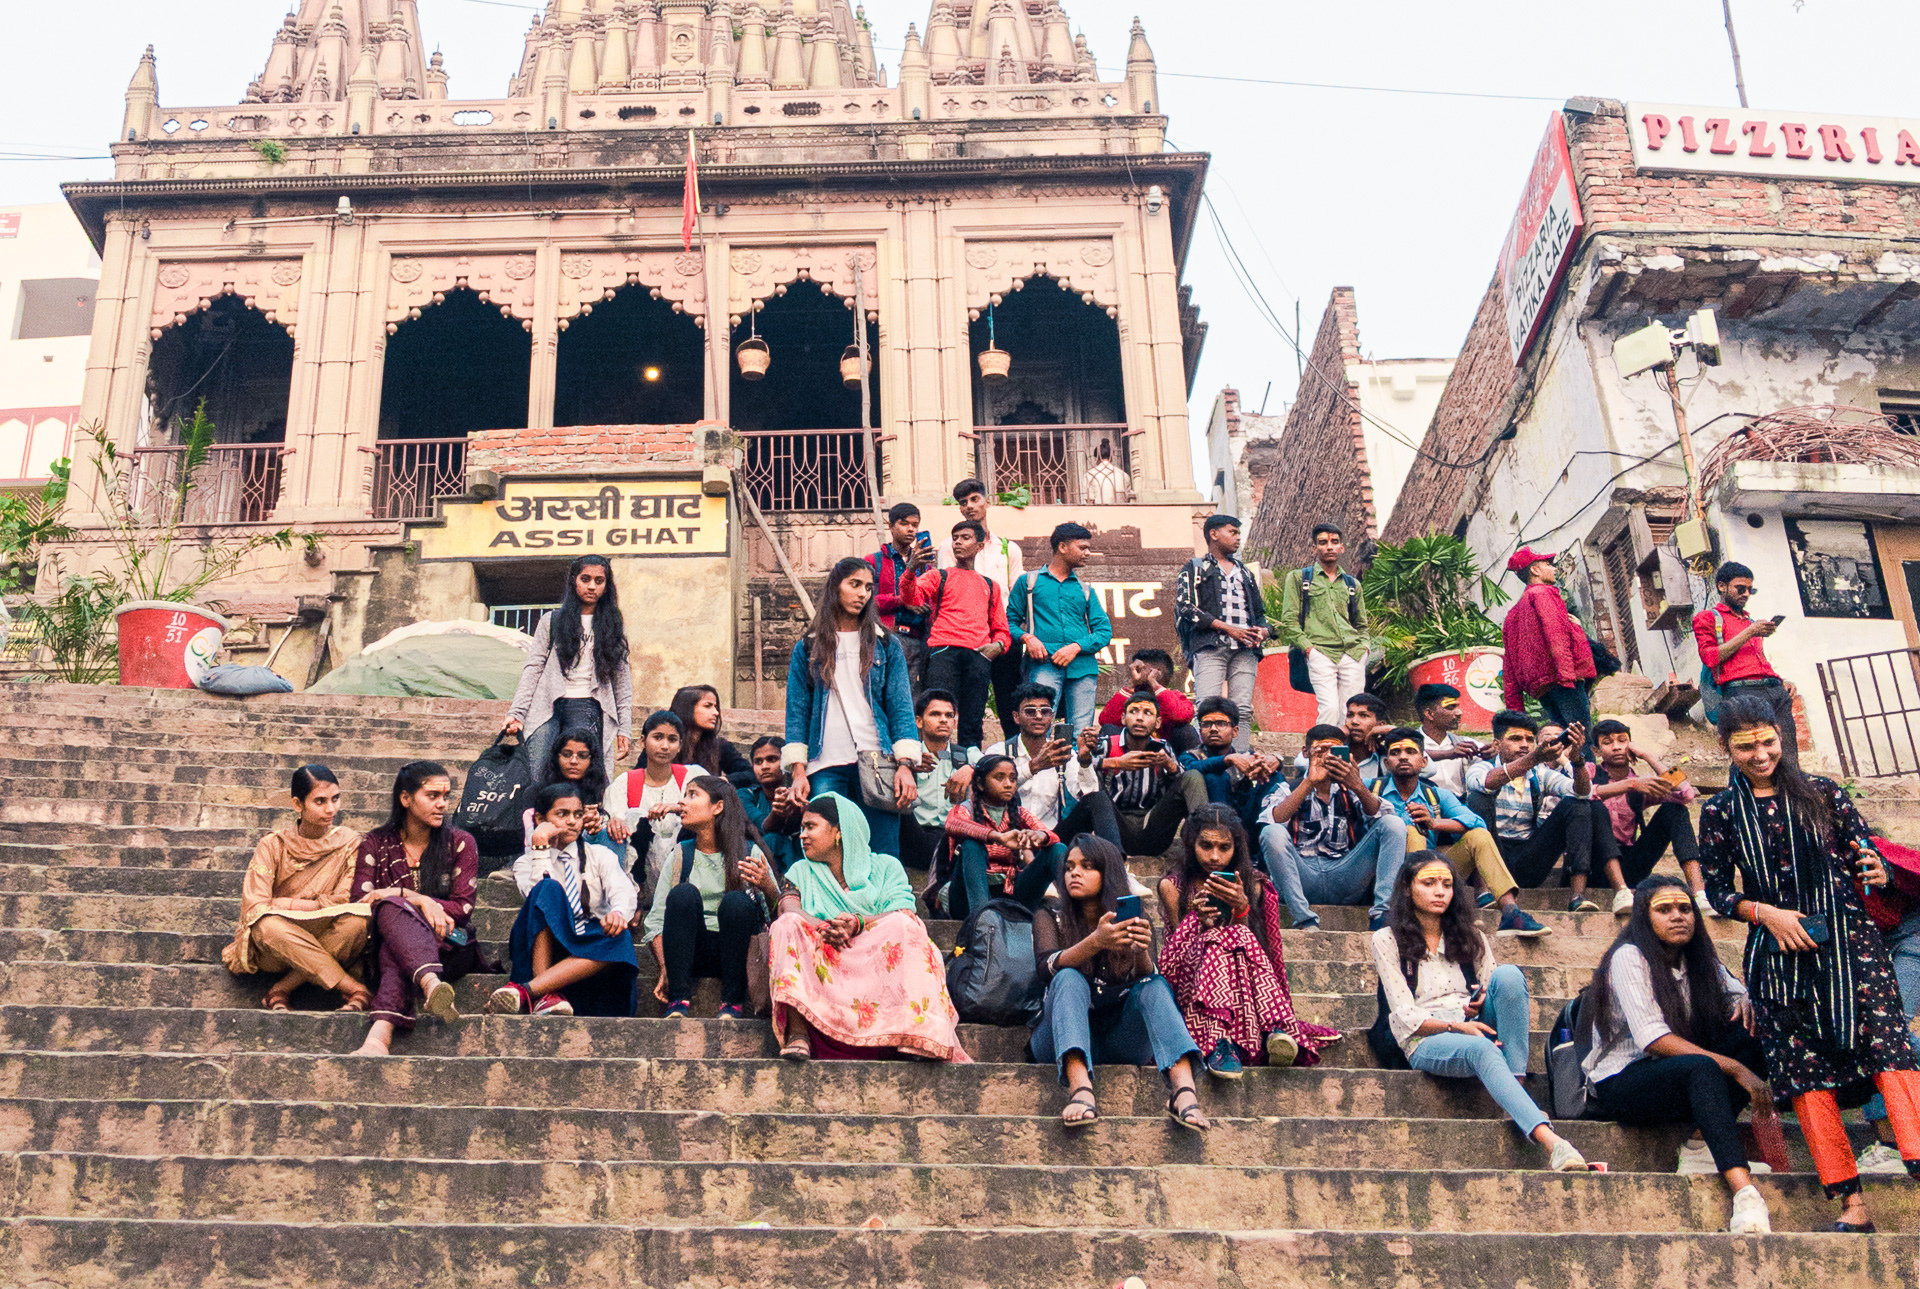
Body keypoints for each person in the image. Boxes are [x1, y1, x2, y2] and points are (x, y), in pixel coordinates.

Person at [1700, 695, 1920, 1231]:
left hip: (1853, 950)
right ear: (1725, 747)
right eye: (1745, 745)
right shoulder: (1719, 812)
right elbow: (1716, 893)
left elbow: (1866, 850)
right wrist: (1766, 913)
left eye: (1768, 741)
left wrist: (1879, 871)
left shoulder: (1823, 793)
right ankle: (1852, 1205)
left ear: (1782, 736)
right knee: (1805, 1078)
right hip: (1778, 963)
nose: (1759, 754)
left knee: (1892, 1057)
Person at [1373, 851, 1590, 1171]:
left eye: (1446, 884)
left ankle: (1514, 1088)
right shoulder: (1386, 939)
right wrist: (1458, 1028)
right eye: (1429, 883)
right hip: (1426, 1038)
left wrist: (1480, 998)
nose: (1439, 891)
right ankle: (1553, 1143)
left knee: (1510, 975)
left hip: (1472, 1021)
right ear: (1407, 888)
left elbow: (1495, 987)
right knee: (1480, 1047)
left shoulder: (1470, 934)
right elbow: (1404, 1016)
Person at [1581, 876, 1774, 1234]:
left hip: (1680, 1076)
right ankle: (1745, 1192)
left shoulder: (1698, 959)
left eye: (1685, 908)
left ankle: (1702, 1144)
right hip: (1623, 1083)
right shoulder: (1628, 957)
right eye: (1664, 909)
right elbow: (1653, 1039)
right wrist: (1735, 1068)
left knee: (1755, 1030)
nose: (1678, 916)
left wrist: (1748, 1002)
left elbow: (1736, 994)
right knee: (1702, 1066)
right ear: (1644, 916)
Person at [768, 794, 969, 1062]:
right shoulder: (800, 870)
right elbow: (789, 908)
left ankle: (914, 1034)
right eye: (802, 828)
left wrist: (857, 923)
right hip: (824, 956)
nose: (802, 835)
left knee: (906, 925)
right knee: (787, 924)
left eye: (811, 826)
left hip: (873, 955)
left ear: (839, 832)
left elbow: (903, 912)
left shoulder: (885, 867)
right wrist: (826, 929)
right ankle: (798, 1033)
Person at [1031, 835, 1209, 1131]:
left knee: (1154, 985)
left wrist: (1139, 952)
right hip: (1057, 1036)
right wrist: (1095, 942)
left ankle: (1183, 1091)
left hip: (1119, 1039)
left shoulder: (1135, 919)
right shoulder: (1049, 915)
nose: (1075, 873)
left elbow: (1146, 977)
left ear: (1108, 873)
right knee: (1067, 976)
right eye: (1070, 867)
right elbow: (1045, 968)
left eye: (1087, 866)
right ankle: (1080, 1089)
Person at [1158, 805, 1343, 1076]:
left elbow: (1264, 952)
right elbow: (1174, 957)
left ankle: (1258, 1036)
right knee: (1215, 937)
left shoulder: (1254, 884)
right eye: (1205, 845)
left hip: (1245, 986)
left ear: (1237, 848)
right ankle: (1231, 1038)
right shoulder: (1173, 887)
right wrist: (1197, 920)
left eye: (1224, 847)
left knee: (1238, 933)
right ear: (1190, 843)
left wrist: (1241, 910)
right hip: (1192, 989)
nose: (1214, 856)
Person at [783, 556, 921, 860]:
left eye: (868, 587)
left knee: (883, 851)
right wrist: (797, 770)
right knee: (823, 851)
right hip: (824, 764)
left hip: (877, 761)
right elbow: (797, 712)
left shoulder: (885, 644)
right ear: (836, 587)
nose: (862, 594)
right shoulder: (808, 646)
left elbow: (900, 707)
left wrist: (905, 765)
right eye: (854, 584)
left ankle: (889, 908)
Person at [351, 761, 482, 1055]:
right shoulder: (375, 842)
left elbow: (462, 909)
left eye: (445, 796)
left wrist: (407, 896)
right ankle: (429, 982)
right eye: (432, 796)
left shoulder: (461, 842)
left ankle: (378, 1038)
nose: (442, 804)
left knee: (392, 916)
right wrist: (416, 900)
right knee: (390, 916)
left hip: (452, 944)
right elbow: (361, 905)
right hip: (389, 945)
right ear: (406, 798)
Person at [1372, 727, 1548, 938]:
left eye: (1410, 752)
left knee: (1479, 835)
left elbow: (1476, 821)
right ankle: (1410, 913)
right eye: (1395, 753)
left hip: (1433, 873)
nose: (1403, 757)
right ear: (1386, 763)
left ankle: (1511, 911)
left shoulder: (1435, 794)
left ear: (1424, 761)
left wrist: (1434, 823)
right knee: (1411, 830)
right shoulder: (1372, 789)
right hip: (1385, 875)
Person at [224, 764, 370, 1012]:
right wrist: (286, 911)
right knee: (265, 925)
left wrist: (290, 905)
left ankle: (283, 988)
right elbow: (256, 906)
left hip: (328, 932)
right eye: (320, 801)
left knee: (358, 923)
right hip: (279, 946)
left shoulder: (350, 843)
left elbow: (348, 899)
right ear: (297, 804)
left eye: (335, 799)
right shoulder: (272, 845)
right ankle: (351, 986)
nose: (331, 809)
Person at [492, 781, 640, 1017]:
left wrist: (618, 913)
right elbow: (536, 901)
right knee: (547, 888)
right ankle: (545, 995)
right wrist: (539, 849)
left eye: (577, 814)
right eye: (562, 814)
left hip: (586, 954)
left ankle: (527, 992)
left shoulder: (600, 855)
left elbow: (623, 890)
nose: (572, 821)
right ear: (541, 820)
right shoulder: (525, 863)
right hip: (547, 946)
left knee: (619, 937)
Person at [642, 776, 781, 1018]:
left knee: (736, 902)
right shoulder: (680, 855)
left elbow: (777, 919)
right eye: (684, 795)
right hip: (688, 952)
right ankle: (678, 1000)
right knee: (683, 894)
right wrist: (666, 967)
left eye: (692, 794)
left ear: (718, 807)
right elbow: (655, 921)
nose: (682, 802)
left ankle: (732, 1002)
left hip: (739, 954)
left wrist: (768, 887)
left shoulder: (749, 853)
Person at [1259, 724, 1410, 933]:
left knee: (1394, 824)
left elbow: (1383, 817)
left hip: (1345, 874)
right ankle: (1304, 919)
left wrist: (1356, 784)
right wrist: (1310, 783)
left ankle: (1382, 916)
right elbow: (1273, 820)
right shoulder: (1287, 788)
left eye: (1335, 752)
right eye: (1321, 751)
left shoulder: (1350, 789)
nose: (1328, 758)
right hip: (1301, 876)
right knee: (1271, 832)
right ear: (1306, 753)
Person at [503, 553, 635, 773]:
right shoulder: (552, 621)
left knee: (581, 774)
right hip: (548, 704)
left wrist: (625, 729)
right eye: (585, 579)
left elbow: (622, 680)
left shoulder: (612, 623)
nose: (592, 586)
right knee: (536, 770)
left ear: (606, 585)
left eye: (599, 581)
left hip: (590, 705)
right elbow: (533, 668)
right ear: (574, 580)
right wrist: (517, 712)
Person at [1465, 711, 1607, 913]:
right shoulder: (1480, 768)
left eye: (1529, 740)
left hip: (1528, 860)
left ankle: (1578, 896)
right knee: (1478, 799)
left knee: (1577, 804)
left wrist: (1577, 760)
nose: (1524, 744)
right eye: (1515, 738)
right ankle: (1483, 891)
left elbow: (1583, 792)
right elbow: (1487, 784)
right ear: (1496, 745)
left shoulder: (1539, 774)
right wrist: (1534, 757)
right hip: (1491, 856)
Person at [902, 519, 1012, 752]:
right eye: (955, 538)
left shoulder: (991, 586)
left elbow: (1001, 628)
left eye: (965, 538)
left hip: (978, 655)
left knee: (972, 719)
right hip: (943, 651)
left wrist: (998, 646)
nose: (958, 542)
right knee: (936, 714)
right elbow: (911, 598)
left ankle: (969, 770)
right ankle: (932, 765)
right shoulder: (938, 576)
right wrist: (910, 569)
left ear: (980, 545)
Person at [1587, 719, 1703, 917]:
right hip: (1593, 863)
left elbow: (1686, 794)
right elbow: (1583, 794)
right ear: (1597, 751)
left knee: (1675, 811)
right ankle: (1621, 892)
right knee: (1596, 809)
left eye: (1622, 741)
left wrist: (1648, 756)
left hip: (1630, 863)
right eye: (1607, 742)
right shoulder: (1590, 771)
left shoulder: (1642, 783)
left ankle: (1699, 891)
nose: (1616, 747)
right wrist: (1630, 784)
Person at [1077, 687, 1209, 859]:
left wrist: (1170, 766)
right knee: (1092, 783)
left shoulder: (1163, 747)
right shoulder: (1106, 745)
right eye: (1133, 712)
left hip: (1153, 828)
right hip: (1114, 829)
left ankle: (1206, 844)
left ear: (1158, 722)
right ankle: (1112, 860)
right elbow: (1082, 777)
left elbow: (1183, 784)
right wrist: (1113, 762)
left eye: (1148, 713)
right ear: (1123, 718)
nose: (1140, 718)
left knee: (1193, 776)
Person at [1008, 522, 1112, 737]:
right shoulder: (1029, 582)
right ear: (1062, 547)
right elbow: (1007, 622)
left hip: (1083, 667)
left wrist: (1075, 647)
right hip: (1043, 664)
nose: (1088, 553)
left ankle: (1077, 770)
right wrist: (1027, 638)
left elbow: (1104, 631)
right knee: (1039, 723)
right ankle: (1039, 769)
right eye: (1082, 547)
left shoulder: (1084, 590)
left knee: (1081, 731)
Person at [1175, 513, 1268, 754]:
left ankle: (1240, 760)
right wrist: (1229, 629)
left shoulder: (1245, 572)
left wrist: (1264, 630)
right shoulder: (1195, 568)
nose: (1238, 538)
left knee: (1243, 710)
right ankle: (1204, 760)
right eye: (1233, 532)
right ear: (1214, 534)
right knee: (1207, 706)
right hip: (1210, 646)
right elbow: (1185, 607)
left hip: (1246, 648)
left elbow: (1259, 611)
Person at [939, 477, 1027, 733]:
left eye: (975, 499)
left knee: (1009, 696)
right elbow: (947, 588)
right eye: (963, 502)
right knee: (969, 701)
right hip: (966, 633)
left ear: (987, 502)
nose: (969, 506)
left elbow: (1016, 591)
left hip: (1002, 633)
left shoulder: (1008, 548)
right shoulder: (949, 546)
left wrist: (1010, 630)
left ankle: (1014, 752)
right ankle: (969, 757)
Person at [937, 753, 1065, 919]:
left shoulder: (1018, 813)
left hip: (1009, 893)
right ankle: (982, 923)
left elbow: (1053, 837)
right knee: (971, 845)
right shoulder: (965, 809)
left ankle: (1074, 910)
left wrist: (1039, 836)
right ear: (980, 784)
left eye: (1012, 779)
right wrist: (997, 837)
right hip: (967, 897)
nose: (1008, 784)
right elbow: (953, 824)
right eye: (999, 778)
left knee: (1057, 848)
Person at [1694, 561, 1797, 759]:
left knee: (1788, 753)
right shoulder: (1708, 618)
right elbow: (1710, 657)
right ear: (1722, 586)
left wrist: (1782, 681)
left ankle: (1790, 789)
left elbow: (1756, 660)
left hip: (1773, 690)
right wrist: (1750, 632)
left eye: (1750, 590)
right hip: (1741, 691)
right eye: (1740, 589)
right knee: (1752, 752)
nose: (1746, 594)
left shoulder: (1750, 621)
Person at [1274, 521, 1369, 728]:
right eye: (1323, 542)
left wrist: (1365, 648)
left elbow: (1361, 623)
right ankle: (1324, 753)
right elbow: (1289, 620)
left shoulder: (1352, 584)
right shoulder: (1300, 579)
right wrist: (1309, 649)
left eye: (1334, 542)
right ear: (1314, 548)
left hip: (1352, 652)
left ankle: (1348, 755)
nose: (1329, 547)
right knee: (1329, 708)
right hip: (1320, 652)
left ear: (1342, 547)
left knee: (1351, 711)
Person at [1499, 547, 1596, 741]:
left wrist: (1516, 708)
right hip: (1562, 678)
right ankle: (1587, 770)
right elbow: (1556, 635)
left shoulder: (1513, 614)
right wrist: (1568, 678)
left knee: (1564, 735)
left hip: (1542, 687)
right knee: (1581, 737)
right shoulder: (1543, 593)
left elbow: (1509, 665)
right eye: (1548, 565)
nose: (1554, 569)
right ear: (1535, 570)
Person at [990, 682, 1099, 835]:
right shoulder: (999, 751)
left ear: (1052, 717)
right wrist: (1033, 767)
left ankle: (1112, 855)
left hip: (1050, 837)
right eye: (1030, 711)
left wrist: (1085, 761)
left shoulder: (1063, 754)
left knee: (1098, 799)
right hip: (1006, 834)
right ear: (1016, 717)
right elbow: (989, 791)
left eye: (1045, 711)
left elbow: (1090, 798)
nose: (1039, 716)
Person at [604, 711, 695, 891]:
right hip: (638, 865)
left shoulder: (690, 777)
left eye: (672, 739)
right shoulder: (626, 782)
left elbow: (711, 806)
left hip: (685, 863)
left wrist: (675, 807)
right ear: (642, 741)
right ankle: (633, 895)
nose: (664, 746)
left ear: (680, 745)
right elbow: (616, 821)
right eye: (658, 737)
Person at [900, 688, 977, 879]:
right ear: (919, 721)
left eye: (949, 715)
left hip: (952, 836)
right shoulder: (905, 756)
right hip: (913, 834)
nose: (943, 720)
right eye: (935, 714)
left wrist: (972, 769)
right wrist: (906, 766)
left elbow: (997, 764)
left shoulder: (965, 755)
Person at [1179, 697, 1279, 835]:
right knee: (1214, 777)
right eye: (1207, 724)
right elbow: (1191, 768)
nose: (1213, 729)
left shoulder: (1246, 757)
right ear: (1200, 730)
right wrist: (1227, 760)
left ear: (1235, 731)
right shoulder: (1190, 756)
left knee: (1274, 777)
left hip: (1248, 826)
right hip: (1209, 828)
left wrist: (1276, 760)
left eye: (1221, 723)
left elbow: (1267, 766)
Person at [869, 501, 934, 691]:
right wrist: (903, 601)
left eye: (915, 525)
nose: (911, 530)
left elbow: (929, 602)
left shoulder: (925, 566)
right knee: (880, 691)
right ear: (891, 526)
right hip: (884, 636)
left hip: (917, 639)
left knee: (910, 695)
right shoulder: (874, 561)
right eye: (904, 524)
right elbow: (867, 602)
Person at [526, 726, 620, 853]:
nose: (574, 761)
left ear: (592, 760)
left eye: (582, 756)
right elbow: (531, 836)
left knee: (613, 831)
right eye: (567, 755)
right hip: (544, 853)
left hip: (588, 854)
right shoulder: (535, 792)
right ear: (556, 757)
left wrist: (595, 824)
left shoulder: (599, 792)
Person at [1096, 648, 1198, 753]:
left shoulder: (1176, 696)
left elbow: (1178, 716)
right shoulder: (1128, 696)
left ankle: (1189, 767)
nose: (1135, 672)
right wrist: (1131, 683)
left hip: (1166, 756)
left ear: (1159, 672)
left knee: (1186, 731)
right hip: (1127, 754)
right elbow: (1106, 720)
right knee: (1109, 728)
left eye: (1140, 669)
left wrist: (1154, 683)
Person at [738, 734, 804, 878]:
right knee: (772, 838)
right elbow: (762, 826)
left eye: (772, 759)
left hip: (801, 862)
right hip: (761, 867)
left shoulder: (803, 791)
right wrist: (777, 811)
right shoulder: (745, 795)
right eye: (758, 762)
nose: (765, 767)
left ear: (786, 762)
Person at [1291, 692, 1389, 782]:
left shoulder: (1385, 758)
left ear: (1380, 725)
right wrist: (1337, 734)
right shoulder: (1332, 750)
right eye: (1350, 715)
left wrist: (1391, 731)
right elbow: (1301, 762)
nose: (1354, 721)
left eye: (1363, 716)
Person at [669, 684, 753, 783]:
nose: (716, 712)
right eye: (707, 706)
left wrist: (718, 782)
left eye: (716, 707)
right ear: (687, 709)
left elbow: (750, 774)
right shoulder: (666, 745)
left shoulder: (720, 746)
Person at [1415, 683, 1484, 799]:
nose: (1459, 713)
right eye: (1450, 707)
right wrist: (1448, 754)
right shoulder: (1407, 743)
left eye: (1457, 707)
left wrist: (1492, 753)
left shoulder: (1463, 742)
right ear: (1429, 713)